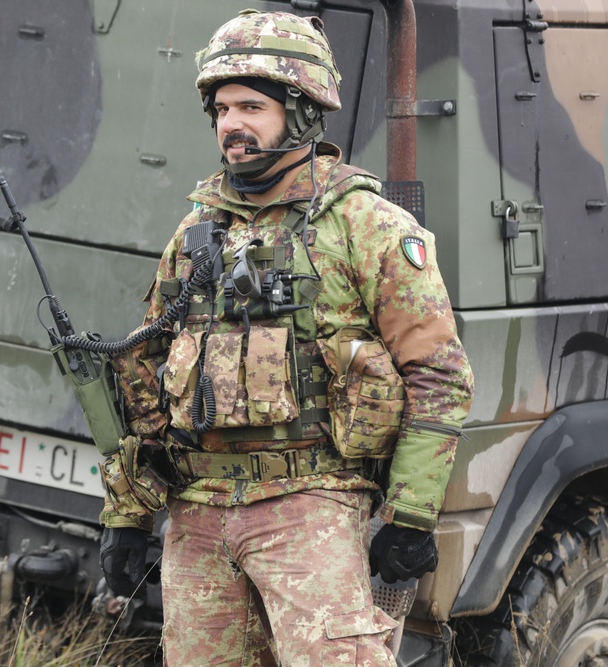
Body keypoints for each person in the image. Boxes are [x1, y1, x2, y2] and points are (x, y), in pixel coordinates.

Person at [97, 9, 474, 666]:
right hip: (199, 514)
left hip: (312, 505)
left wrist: (411, 514)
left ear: (301, 113)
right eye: (220, 109)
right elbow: (148, 377)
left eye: (251, 106)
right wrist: (127, 515)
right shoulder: (196, 234)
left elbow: (438, 374)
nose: (231, 124)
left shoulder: (366, 226)